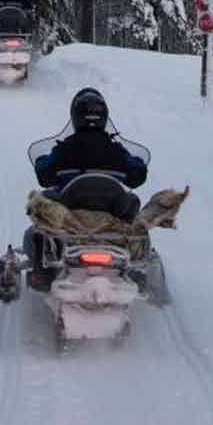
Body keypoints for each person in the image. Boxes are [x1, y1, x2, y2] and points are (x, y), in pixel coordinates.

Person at [23, 88, 146, 291]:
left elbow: (44, 175)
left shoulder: (64, 149)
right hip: (110, 219)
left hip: (72, 220)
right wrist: (138, 164)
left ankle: (42, 272)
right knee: (134, 206)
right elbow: (138, 174)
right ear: (103, 117)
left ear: (75, 117)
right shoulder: (116, 150)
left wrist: (42, 161)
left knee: (41, 210)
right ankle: (138, 269)